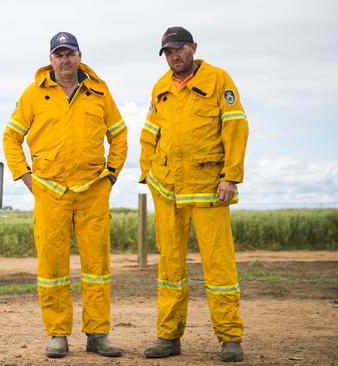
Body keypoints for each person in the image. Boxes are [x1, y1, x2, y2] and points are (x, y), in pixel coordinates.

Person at [3, 32, 128, 358]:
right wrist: (26, 178)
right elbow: (11, 137)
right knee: (52, 267)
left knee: (97, 267)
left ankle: (98, 334)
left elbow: (119, 135)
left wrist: (111, 175)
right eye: (58, 55)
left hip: (92, 192)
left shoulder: (99, 92)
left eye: (69, 53)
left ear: (79, 56)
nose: (64, 60)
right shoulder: (33, 95)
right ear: (51, 60)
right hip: (51, 193)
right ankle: (57, 334)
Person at [139, 26, 249, 362]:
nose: (174, 56)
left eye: (179, 49)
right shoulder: (160, 87)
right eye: (169, 52)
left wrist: (231, 177)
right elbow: (149, 133)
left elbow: (236, 127)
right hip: (168, 191)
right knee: (170, 269)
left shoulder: (218, 80)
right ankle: (169, 337)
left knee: (219, 267)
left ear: (193, 48)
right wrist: (148, 173)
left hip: (209, 191)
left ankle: (230, 338)